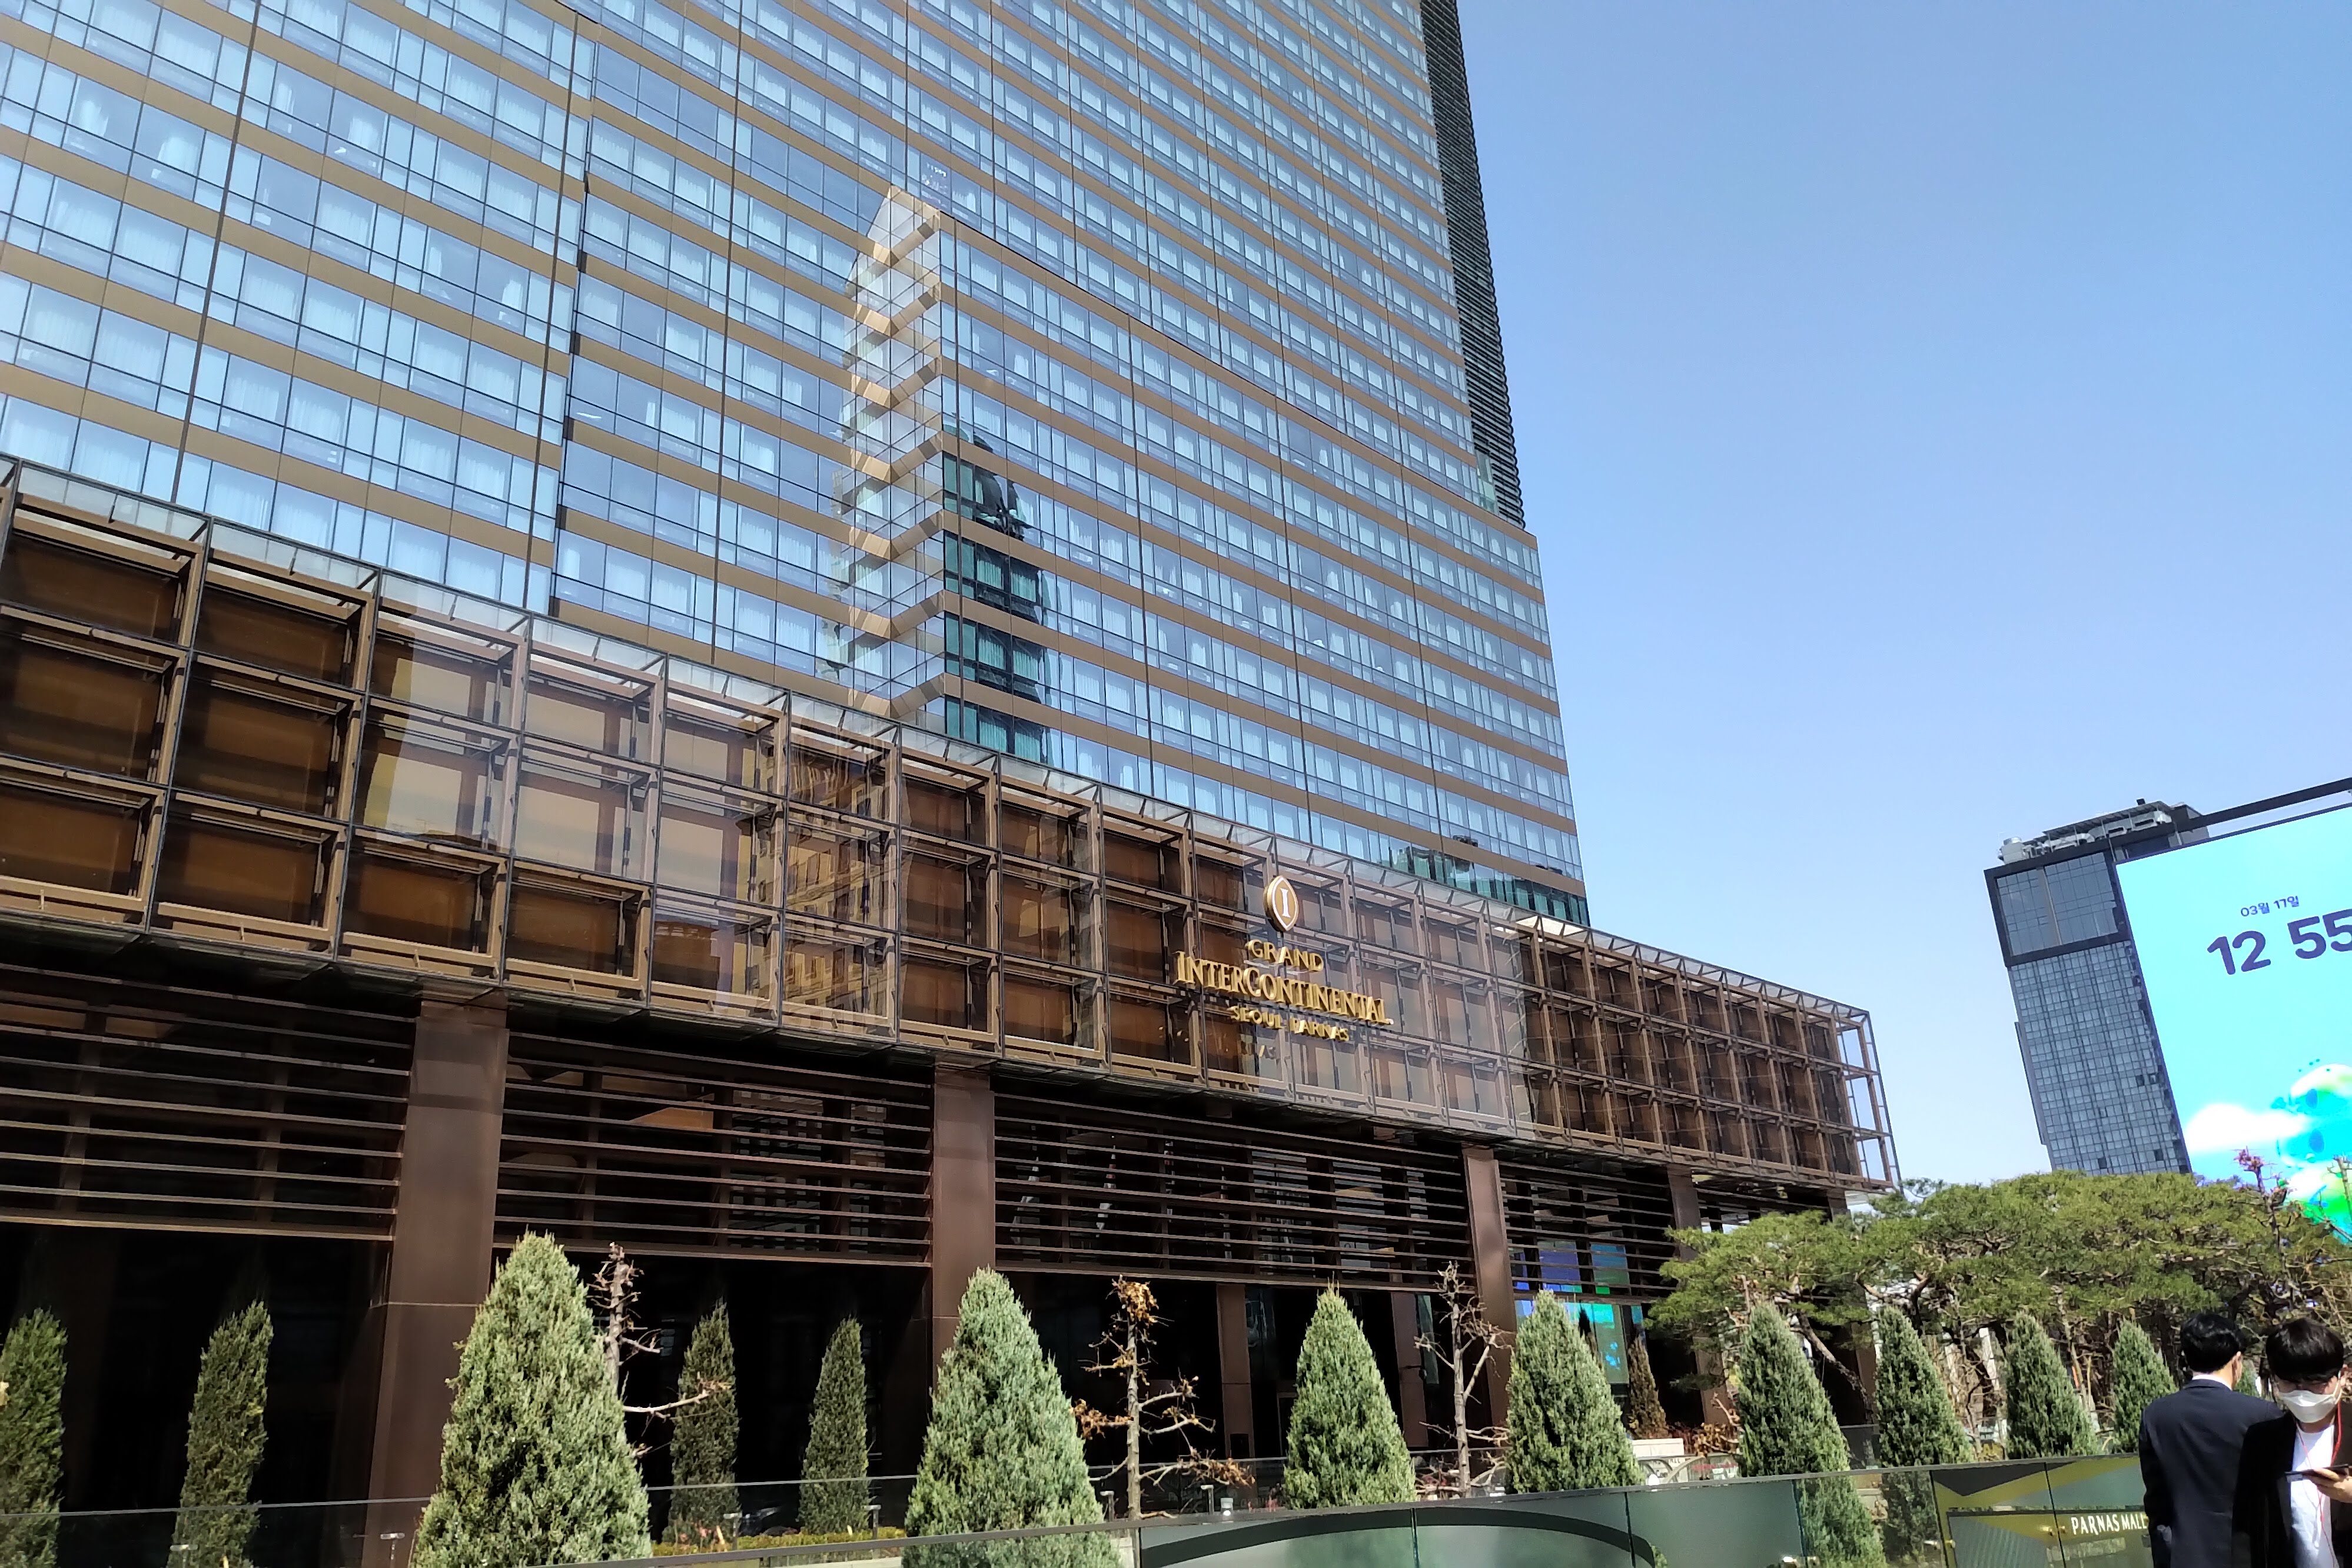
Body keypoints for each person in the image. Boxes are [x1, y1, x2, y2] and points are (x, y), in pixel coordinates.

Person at [2140, 1311, 2277, 1568]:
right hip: (2250, 1554)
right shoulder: (2262, 1414)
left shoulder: (2155, 1415)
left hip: (2183, 1555)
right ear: (2237, 1361)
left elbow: (2156, 1498)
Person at [2237, 1317, 2352, 1568]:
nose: (2302, 1393)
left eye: (2315, 1383)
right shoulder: (2263, 1441)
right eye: (2290, 1383)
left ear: (2343, 1376)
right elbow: (2246, 1529)